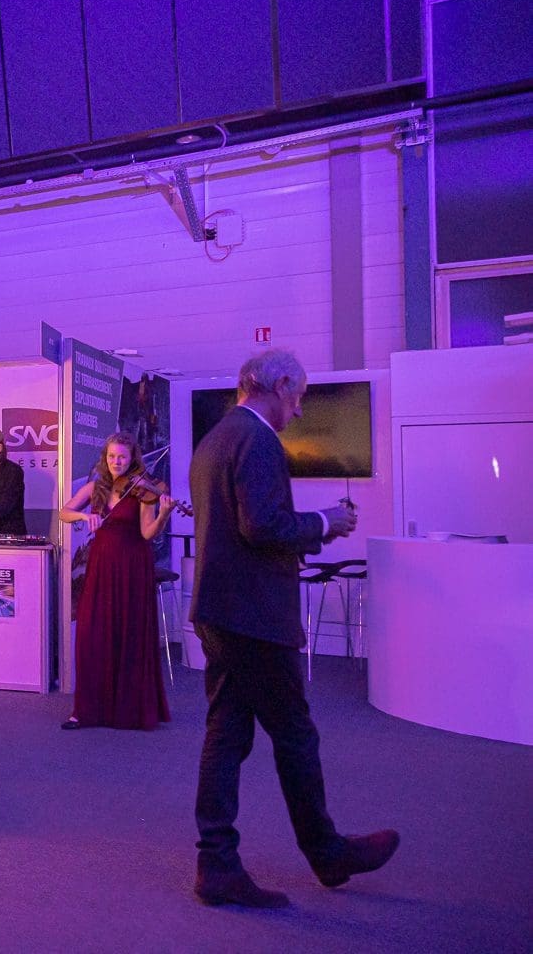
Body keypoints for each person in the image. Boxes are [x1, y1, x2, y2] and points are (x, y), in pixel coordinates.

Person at [189, 350, 397, 908]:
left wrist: (310, 527)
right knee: (294, 735)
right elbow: (262, 526)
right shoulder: (257, 440)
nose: (300, 410)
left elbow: (239, 529)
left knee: (227, 734)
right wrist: (325, 522)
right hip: (255, 617)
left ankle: (217, 864)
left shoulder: (215, 439)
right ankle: (326, 854)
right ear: (279, 384)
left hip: (221, 611)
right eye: (299, 397)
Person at [58, 432, 173, 730]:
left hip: (132, 567)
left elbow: (147, 533)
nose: (116, 462)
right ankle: (85, 710)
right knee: (92, 634)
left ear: (132, 458)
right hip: (101, 566)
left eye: (122, 456)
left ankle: (127, 711)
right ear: (105, 457)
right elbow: (64, 512)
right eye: (111, 456)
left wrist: (163, 514)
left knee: (128, 634)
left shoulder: (142, 491)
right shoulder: (96, 487)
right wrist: (84, 518)